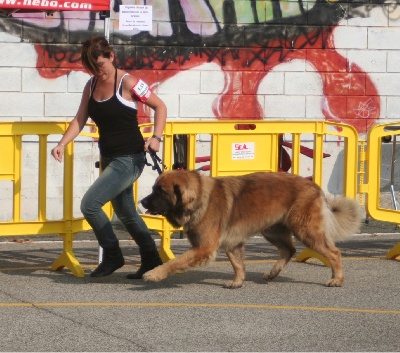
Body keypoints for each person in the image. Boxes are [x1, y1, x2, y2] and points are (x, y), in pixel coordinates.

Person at [51, 36, 167, 279]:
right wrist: (62, 143)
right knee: (126, 213)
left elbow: (160, 106)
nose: (98, 72)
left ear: (111, 56)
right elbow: (80, 119)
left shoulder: (129, 82)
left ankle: (113, 255)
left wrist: (156, 136)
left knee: (90, 205)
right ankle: (151, 259)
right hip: (109, 156)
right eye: (92, 68)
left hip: (130, 158)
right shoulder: (91, 85)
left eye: (100, 65)